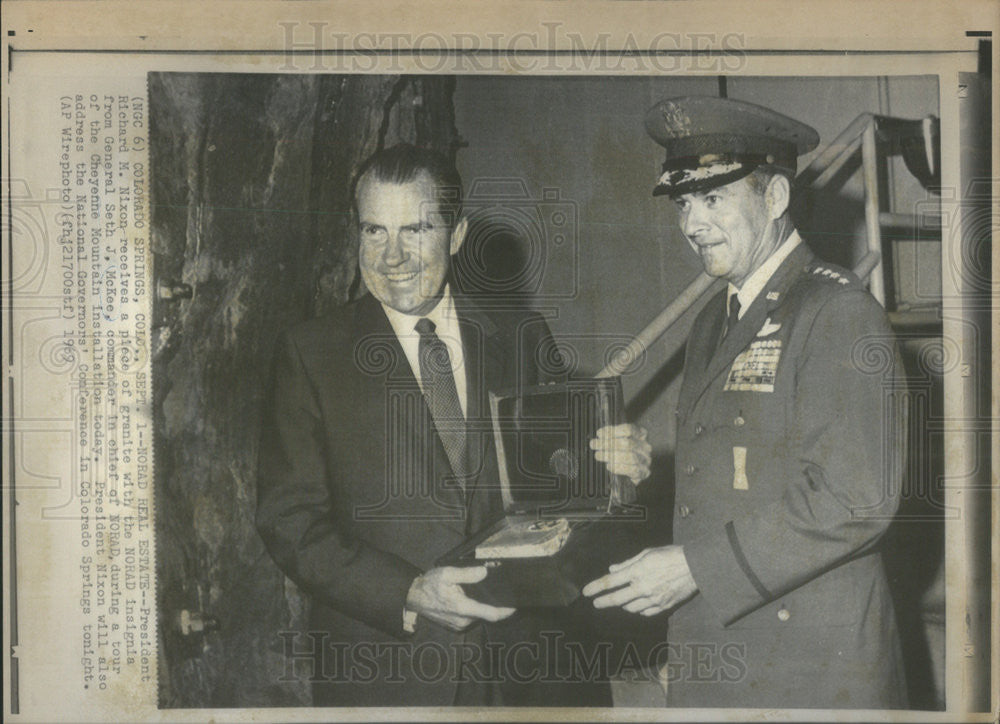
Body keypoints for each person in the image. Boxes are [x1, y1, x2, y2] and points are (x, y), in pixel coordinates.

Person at [256, 143, 652, 706]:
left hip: (533, 667)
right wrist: (410, 592)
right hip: (392, 670)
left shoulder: (523, 336)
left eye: (415, 229)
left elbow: (567, 491)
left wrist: (617, 469)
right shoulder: (309, 354)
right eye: (374, 231)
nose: (392, 256)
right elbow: (288, 520)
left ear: (457, 235)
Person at [583, 96, 907, 709]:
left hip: (810, 663)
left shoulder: (838, 311)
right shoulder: (715, 317)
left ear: (776, 199)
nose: (691, 223)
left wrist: (695, 569)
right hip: (726, 642)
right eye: (683, 202)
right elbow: (734, 476)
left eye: (713, 198)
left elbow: (856, 497)